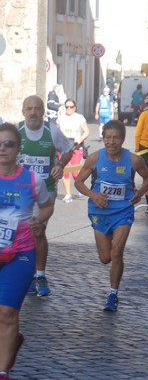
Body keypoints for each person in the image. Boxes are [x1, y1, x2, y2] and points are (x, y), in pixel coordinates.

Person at [74, 121, 148, 311]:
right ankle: (112, 285)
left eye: (115, 137)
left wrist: (140, 193)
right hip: (99, 211)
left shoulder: (133, 160)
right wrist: (94, 195)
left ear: (123, 139)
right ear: (103, 138)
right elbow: (78, 182)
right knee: (105, 257)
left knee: (117, 252)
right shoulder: (94, 158)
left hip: (123, 210)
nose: (111, 142)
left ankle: (113, 294)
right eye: (107, 137)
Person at [0, 123, 54, 379]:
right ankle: (10, 343)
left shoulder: (32, 179)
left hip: (20, 253)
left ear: (18, 149)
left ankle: (2, 371)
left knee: (8, 313)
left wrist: (39, 220)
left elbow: (46, 206)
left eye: (8, 144)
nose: (2, 149)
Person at [18, 95, 73, 297]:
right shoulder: (16, 132)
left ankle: (39, 275)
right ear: (23, 112)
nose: (33, 112)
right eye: (29, 108)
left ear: (43, 111)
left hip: (44, 190)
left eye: (37, 108)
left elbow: (67, 150)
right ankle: (26, 275)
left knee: (37, 230)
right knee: (22, 233)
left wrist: (60, 164)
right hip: (20, 191)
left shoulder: (52, 131)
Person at [57, 98, 90, 202]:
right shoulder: (61, 118)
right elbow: (57, 132)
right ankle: (68, 194)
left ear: (75, 108)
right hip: (64, 147)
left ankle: (79, 185)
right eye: (67, 107)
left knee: (75, 172)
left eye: (71, 107)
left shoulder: (80, 118)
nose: (69, 109)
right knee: (65, 171)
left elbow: (87, 132)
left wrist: (80, 140)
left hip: (76, 146)